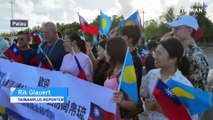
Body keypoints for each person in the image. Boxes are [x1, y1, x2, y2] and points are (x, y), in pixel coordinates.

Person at [140, 38, 197, 120]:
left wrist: (158, 108)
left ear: (173, 59)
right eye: (155, 52)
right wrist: (147, 101)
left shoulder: (183, 85)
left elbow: (188, 116)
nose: (154, 56)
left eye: (159, 54)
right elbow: (144, 93)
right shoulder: (152, 74)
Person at [167, 15, 209, 90]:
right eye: (172, 29)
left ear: (189, 30)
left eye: (176, 29)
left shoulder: (196, 56)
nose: (172, 33)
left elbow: (195, 90)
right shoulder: (180, 51)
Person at [103, 36, 137, 120]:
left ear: (114, 51)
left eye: (106, 49)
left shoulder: (126, 73)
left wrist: (120, 102)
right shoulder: (112, 68)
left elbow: (133, 104)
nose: (104, 52)